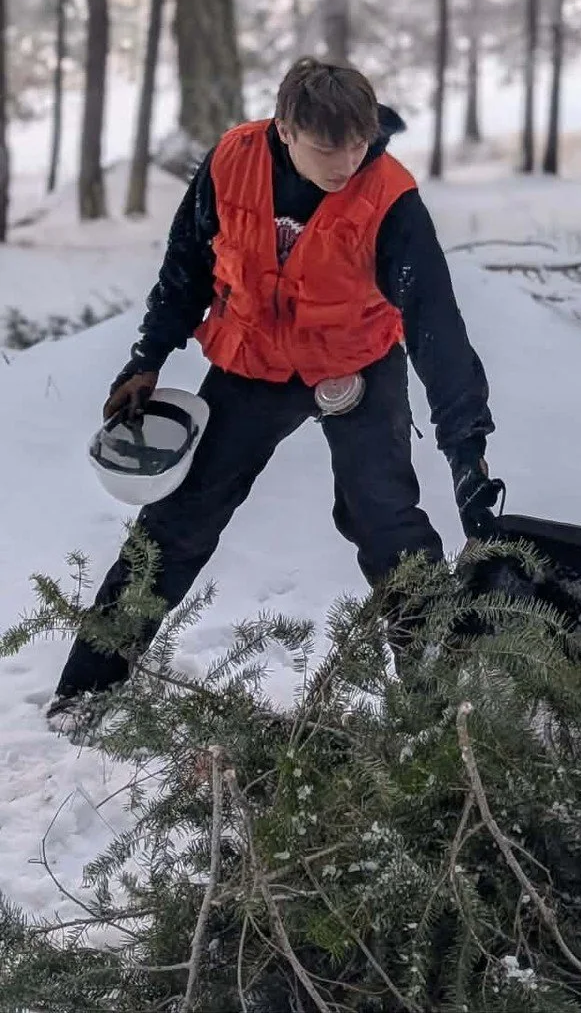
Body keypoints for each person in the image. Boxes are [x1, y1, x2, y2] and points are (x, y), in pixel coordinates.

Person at [49, 58, 498, 730]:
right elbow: (186, 266)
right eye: (328, 146)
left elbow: (437, 326)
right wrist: (147, 357)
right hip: (251, 358)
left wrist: (467, 452)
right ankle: (88, 689)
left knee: (384, 519)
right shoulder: (232, 161)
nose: (348, 160)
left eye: (360, 141)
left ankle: (436, 704)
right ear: (284, 129)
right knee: (178, 521)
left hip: (356, 363)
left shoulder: (389, 197)